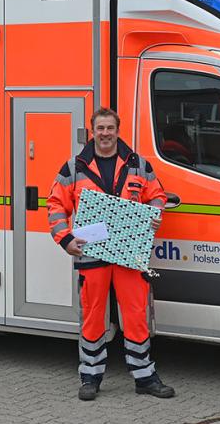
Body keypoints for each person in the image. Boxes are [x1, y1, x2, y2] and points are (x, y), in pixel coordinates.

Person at [47, 107, 175, 401]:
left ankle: (144, 377)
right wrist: (65, 239)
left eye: (110, 128)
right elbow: (55, 205)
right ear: (92, 132)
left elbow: (158, 195)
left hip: (129, 254)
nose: (105, 133)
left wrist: (154, 214)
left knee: (135, 314)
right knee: (92, 316)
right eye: (100, 128)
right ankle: (90, 377)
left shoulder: (138, 164)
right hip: (92, 254)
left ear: (118, 130)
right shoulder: (74, 168)